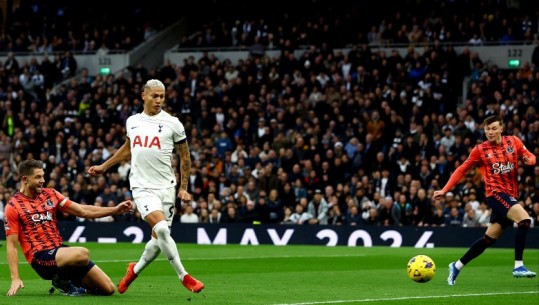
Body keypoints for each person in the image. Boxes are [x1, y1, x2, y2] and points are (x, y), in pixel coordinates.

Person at [87, 79, 204, 294]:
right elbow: (127, 148)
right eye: (154, 96)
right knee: (160, 229)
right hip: (142, 186)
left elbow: (185, 156)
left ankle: (134, 269)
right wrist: (104, 166)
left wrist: (183, 187)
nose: (159, 100)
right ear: (144, 95)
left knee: (159, 238)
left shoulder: (173, 123)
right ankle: (184, 276)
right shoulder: (132, 121)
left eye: (162, 96)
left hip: (167, 187)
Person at [433, 115, 537, 286]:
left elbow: (531, 156)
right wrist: (445, 190)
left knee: (489, 239)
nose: (490, 132)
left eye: (494, 128)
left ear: (502, 128)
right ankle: (518, 265)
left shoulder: (514, 142)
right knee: (525, 220)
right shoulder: (480, 150)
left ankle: (456, 266)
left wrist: (529, 161)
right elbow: (461, 170)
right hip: (495, 194)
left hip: (511, 195)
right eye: (487, 129)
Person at [5, 159, 133, 297]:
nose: (42, 180)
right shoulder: (13, 206)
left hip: (60, 251)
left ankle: (72, 283)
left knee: (108, 289)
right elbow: (11, 245)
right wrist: (15, 278)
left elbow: (82, 210)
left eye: (42, 176)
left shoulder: (51, 194)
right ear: (25, 179)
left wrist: (114, 210)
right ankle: (61, 281)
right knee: (82, 253)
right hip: (40, 257)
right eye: (37, 177)